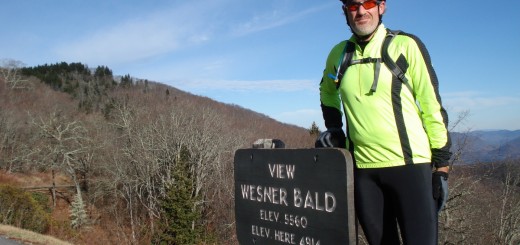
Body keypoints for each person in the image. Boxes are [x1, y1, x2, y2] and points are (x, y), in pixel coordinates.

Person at [316, 0, 452, 244]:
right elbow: (327, 90)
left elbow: (431, 104)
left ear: (381, 7)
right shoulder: (338, 54)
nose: (360, 11)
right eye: (352, 5)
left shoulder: (405, 45)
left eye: (368, 3)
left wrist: (441, 167)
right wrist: (334, 127)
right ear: (345, 11)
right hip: (363, 172)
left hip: (410, 166)